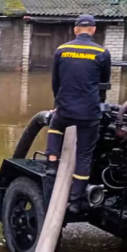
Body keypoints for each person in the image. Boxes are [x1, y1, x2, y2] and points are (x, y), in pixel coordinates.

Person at [46, 14, 111, 213]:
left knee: (55, 126)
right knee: (84, 155)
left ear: (75, 30)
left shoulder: (62, 50)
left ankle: (51, 162)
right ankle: (75, 201)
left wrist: (59, 103)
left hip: (65, 109)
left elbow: (55, 82)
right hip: (89, 113)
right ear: (93, 30)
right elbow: (103, 83)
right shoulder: (102, 52)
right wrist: (98, 103)